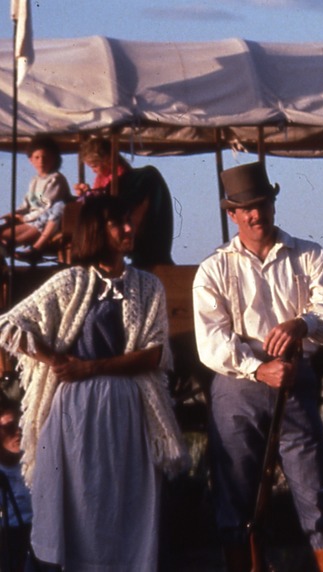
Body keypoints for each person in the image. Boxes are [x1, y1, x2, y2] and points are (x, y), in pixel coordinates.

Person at [0, 195, 190, 571]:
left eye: (128, 222)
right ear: (96, 230)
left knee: (128, 502)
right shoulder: (71, 281)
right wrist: (55, 360)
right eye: (117, 223)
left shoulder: (146, 285)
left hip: (129, 406)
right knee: (81, 499)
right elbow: (10, 324)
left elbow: (155, 353)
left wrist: (93, 367)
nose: (128, 229)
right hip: (75, 411)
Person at [193, 161, 323, 572]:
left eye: (262, 204)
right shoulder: (215, 268)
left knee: (317, 493)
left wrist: (305, 323)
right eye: (245, 208)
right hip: (237, 388)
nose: (255, 215)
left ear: (273, 203)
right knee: (237, 498)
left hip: (294, 383)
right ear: (231, 213)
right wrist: (257, 368)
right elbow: (211, 341)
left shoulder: (308, 255)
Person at [75, 137, 175, 268]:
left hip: (149, 247)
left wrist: (91, 196)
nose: (93, 171)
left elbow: (115, 208)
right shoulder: (104, 181)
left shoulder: (138, 180)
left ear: (107, 160)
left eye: (94, 166)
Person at [0, 137, 73, 259]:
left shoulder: (55, 179)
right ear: (30, 160)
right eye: (37, 157)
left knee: (6, 238)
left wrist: (25, 218)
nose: (41, 161)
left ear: (54, 159)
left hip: (46, 221)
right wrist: (14, 214)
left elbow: (46, 205)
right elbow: (28, 203)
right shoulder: (35, 180)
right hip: (33, 218)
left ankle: (19, 250)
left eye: (45, 157)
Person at [0, 399, 31, 572]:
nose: (17, 433)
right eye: (9, 428)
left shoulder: (33, 464)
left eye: (20, 427)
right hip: (10, 539)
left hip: (36, 537)